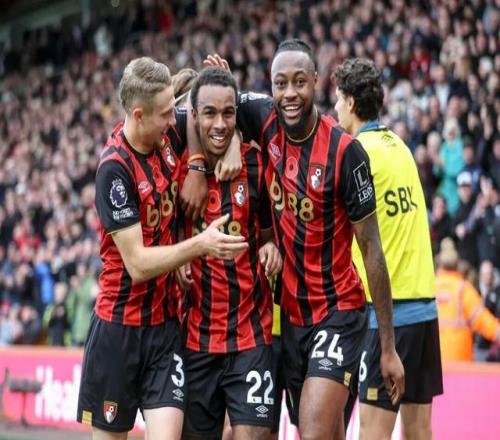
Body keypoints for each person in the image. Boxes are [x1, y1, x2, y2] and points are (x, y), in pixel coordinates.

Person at [205, 39, 404, 439]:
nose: (290, 93)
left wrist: (387, 346)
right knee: (323, 432)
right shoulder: (262, 117)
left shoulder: (346, 153)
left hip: (338, 311)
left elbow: (372, 250)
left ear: (316, 80)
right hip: (291, 318)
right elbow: (201, 110)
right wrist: (221, 149)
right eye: (281, 84)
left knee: (312, 431)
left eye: (299, 82)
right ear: (271, 86)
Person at [76, 57, 248, 440]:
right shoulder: (114, 170)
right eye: (166, 114)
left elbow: (210, 118)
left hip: (165, 329)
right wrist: (198, 245)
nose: (175, 120)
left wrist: (225, 148)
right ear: (139, 115)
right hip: (118, 331)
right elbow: (137, 264)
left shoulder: (166, 135)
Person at [333, 57, 443, 440]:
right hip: (425, 311)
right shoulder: (401, 146)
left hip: (387, 318)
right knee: (419, 432)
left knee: (372, 433)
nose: (335, 108)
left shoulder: (355, 152)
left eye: (337, 99)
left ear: (350, 102)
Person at [176, 67, 282, 440]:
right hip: (195, 340)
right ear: (194, 116)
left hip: (251, 336)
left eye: (228, 114)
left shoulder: (256, 164)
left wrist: (270, 247)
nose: (220, 124)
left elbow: (268, 234)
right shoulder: (177, 167)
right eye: (210, 113)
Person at [435, 237, 500, 362]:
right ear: (457, 264)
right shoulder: (463, 290)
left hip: (434, 363)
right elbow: (484, 322)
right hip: (460, 363)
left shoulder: (430, 288)